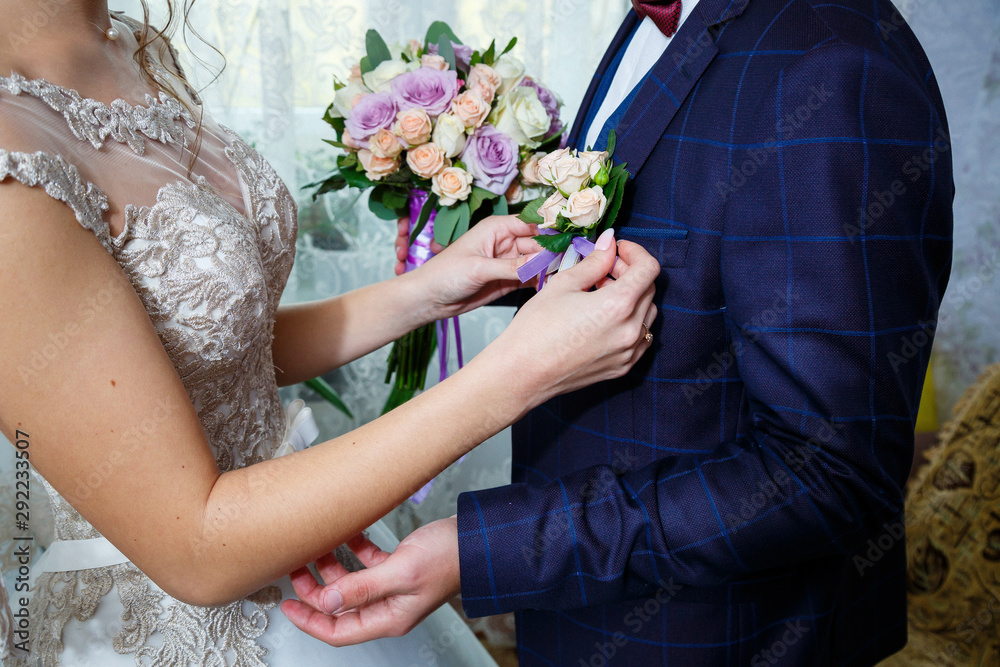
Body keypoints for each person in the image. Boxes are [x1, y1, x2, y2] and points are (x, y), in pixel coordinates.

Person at [286, 0, 955, 664]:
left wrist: (487, 548)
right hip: (587, 617)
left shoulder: (831, 64)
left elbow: (826, 470)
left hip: (713, 635)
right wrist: (463, 282)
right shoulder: (654, 20)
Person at [0, 1, 662, 664]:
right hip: (184, 624)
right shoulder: (10, 163)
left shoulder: (138, 47)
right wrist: (522, 370)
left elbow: (222, 353)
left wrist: (426, 292)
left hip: (308, 544)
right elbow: (195, 548)